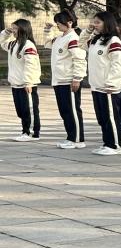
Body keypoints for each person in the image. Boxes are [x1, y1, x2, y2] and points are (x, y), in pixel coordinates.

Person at [85, 11, 121, 155]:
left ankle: (115, 145)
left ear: (106, 23)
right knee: (102, 117)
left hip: (108, 86)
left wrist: (112, 82)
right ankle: (107, 142)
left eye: (98, 22)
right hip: (97, 85)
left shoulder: (113, 41)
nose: (94, 25)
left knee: (111, 117)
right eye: (94, 22)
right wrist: (88, 30)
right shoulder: (96, 40)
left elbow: (117, 63)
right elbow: (80, 43)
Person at [47, 11, 87, 148]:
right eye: (56, 23)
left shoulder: (73, 38)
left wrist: (77, 78)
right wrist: (48, 30)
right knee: (64, 110)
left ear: (69, 22)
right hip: (59, 80)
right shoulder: (60, 38)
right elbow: (48, 43)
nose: (57, 25)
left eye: (59, 23)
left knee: (72, 110)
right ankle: (71, 136)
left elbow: (79, 58)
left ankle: (77, 139)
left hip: (69, 80)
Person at [2, 19, 41, 142]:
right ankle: (25, 131)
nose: (13, 31)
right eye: (12, 28)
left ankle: (32, 133)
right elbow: (2, 43)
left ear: (23, 29)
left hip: (26, 84)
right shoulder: (13, 44)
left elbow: (31, 64)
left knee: (29, 109)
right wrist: (6, 32)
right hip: (16, 84)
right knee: (20, 110)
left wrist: (28, 82)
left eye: (15, 28)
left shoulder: (28, 45)